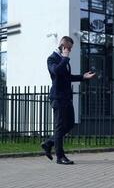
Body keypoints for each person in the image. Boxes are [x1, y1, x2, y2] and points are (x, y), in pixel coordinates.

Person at [41, 36, 95, 164]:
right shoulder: (52, 59)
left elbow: (67, 77)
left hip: (66, 98)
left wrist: (83, 77)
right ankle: (60, 157)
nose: (70, 51)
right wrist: (65, 57)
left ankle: (49, 143)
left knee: (70, 124)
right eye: (68, 48)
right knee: (59, 128)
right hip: (58, 98)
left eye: (70, 49)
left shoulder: (63, 60)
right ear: (63, 46)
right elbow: (56, 72)